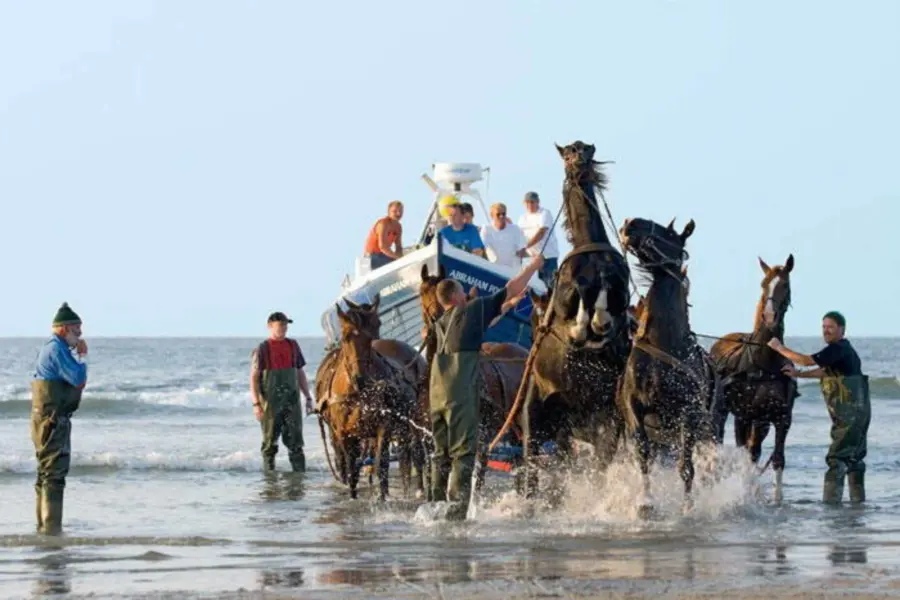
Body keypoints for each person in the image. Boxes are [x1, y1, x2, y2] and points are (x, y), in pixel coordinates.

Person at [428, 254, 545, 519]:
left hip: (437, 396)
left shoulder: (441, 324)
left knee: (440, 453)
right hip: (460, 393)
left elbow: (482, 324)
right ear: (458, 297)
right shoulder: (469, 309)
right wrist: (533, 267)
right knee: (464, 453)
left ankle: (432, 507)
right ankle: (456, 517)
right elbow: (513, 286)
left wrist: (506, 307)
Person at [768, 311, 870, 504]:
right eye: (823, 327)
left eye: (830, 327)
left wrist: (779, 347)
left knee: (837, 458)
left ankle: (832, 509)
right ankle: (858, 506)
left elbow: (807, 360)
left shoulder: (838, 347)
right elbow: (824, 371)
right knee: (855, 458)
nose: (826, 331)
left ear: (842, 329)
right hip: (860, 414)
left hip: (849, 416)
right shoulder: (844, 350)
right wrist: (797, 374)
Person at [31, 302, 88, 535]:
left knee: (45, 474)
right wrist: (82, 355)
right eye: (77, 330)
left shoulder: (52, 347)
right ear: (64, 328)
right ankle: (52, 532)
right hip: (53, 419)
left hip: (45, 419)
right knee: (54, 475)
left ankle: (44, 528)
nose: (80, 335)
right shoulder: (57, 349)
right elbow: (78, 379)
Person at [250, 312, 315, 472]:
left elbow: (299, 372)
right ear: (270, 326)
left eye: (286, 325)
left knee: (296, 443)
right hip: (270, 403)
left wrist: (307, 397)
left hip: (292, 402)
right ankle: (270, 480)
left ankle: (299, 479)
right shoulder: (262, 348)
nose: (284, 329)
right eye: (281, 325)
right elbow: (254, 378)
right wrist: (256, 404)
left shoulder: (293, 345)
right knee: (269, 443)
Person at [518, 191, 560, 288]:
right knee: (534, 288)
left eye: (532, 202)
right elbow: (519, 236)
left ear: (538, 202)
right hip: (531, 259)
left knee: (550, 286)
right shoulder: (522, 218)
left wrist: (526, 246)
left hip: (548, 257)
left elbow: (541, 232)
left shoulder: (544, 213)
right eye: (527, 202)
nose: (530, 205)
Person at [479, 202, 528, 269]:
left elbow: (522, 248)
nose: (501, 216)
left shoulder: (515, 229)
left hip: (513, 270)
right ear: (492, 215)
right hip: (494, 269)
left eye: (503, 214)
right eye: (498, 214)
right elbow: (483, 247)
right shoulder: (486, 229)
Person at [362, 201, 404, 270]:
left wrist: (401, 257)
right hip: (370, 258)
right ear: (389, 212)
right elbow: (383, 247)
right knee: (395, 262)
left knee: (400, 260)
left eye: (400, 211)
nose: (398, 213)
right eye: (395, 211)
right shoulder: (383, 224)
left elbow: (398, 247)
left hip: (383, 256)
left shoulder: (398, 227)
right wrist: (398, 258)